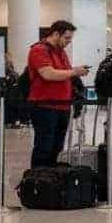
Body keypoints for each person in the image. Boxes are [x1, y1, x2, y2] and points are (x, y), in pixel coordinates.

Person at [27, 20, 90, 168]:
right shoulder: (39, 50)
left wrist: (76, 71)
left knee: (57, 146)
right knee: (44, 145)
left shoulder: (60, 52)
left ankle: (51, 178)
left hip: (62, 106)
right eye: (67, 38)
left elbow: (65, 73)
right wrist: (75, 71)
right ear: (56, 34)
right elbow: (47, 74)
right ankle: (39, 177)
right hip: (44, 106)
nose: (69, 42)